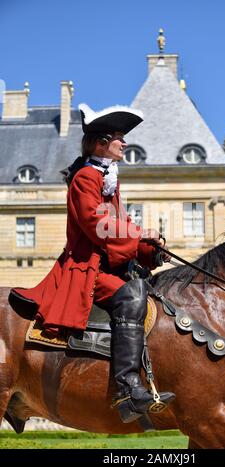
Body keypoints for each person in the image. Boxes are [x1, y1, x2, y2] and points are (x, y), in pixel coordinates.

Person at [10, 103, 175, 423]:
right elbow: (96, 224)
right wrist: (140, 232)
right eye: (119, 137)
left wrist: (148, 250)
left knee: (147, 293)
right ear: (101, 143)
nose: (125, 143)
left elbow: (118, 229)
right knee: (131, 296)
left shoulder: (108, 180)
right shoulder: (86, 177)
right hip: (85, 270)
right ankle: (127, 388)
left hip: (105, 265)